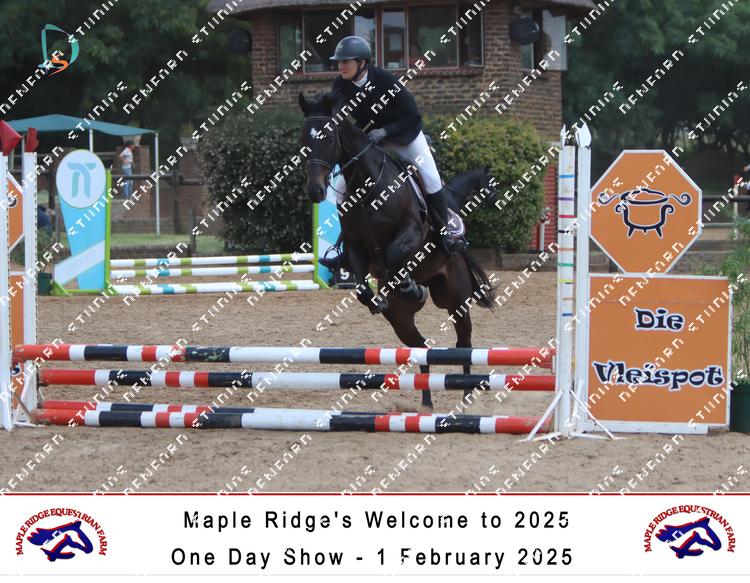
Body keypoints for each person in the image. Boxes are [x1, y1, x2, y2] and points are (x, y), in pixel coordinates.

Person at [328, 36, 467, 255]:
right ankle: (345, 246)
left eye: (346, 61)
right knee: (340, 189)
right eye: (339, 62)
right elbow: (333, 110)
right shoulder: (340, 84)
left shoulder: (385, 80)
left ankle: (446, 235)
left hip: (405, 135)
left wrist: (385, 131)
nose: (340, 66)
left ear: (362, 63)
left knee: (431, 178)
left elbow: (413, 116)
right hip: (372, 138)